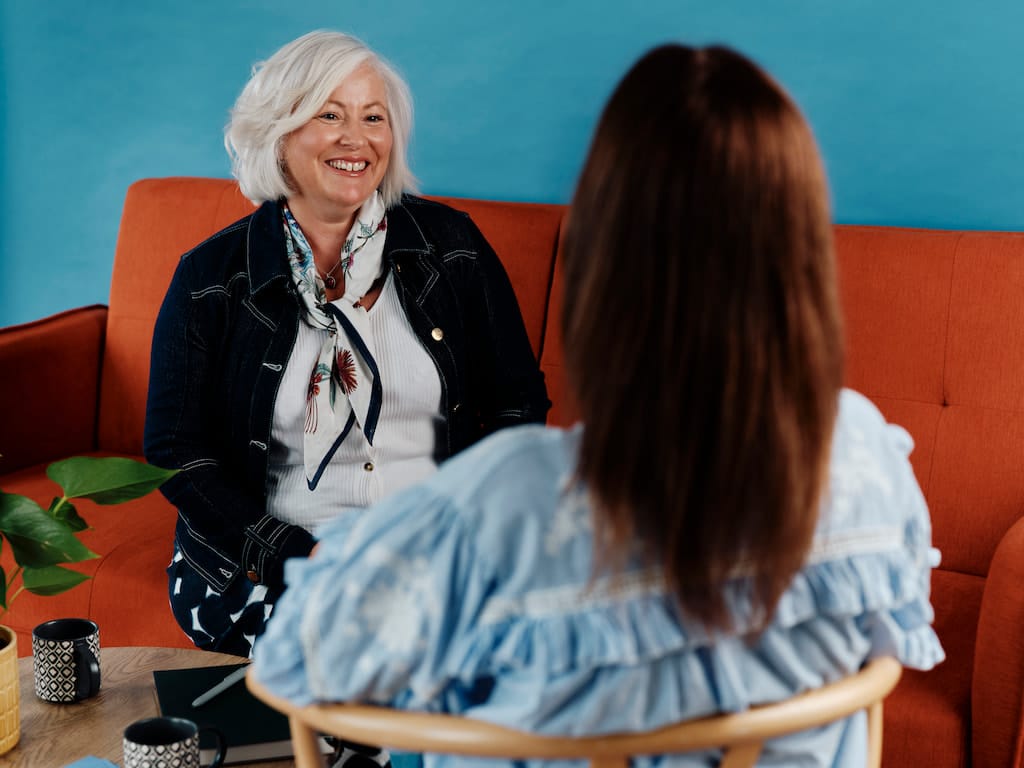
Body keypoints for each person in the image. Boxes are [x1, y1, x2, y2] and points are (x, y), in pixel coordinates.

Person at [250, 43, 944, 767]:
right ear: (804, 260)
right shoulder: (867, 454)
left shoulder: (506, 502)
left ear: (600, 262)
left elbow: (301, 657)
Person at [144, 30, 549, 659]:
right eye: (328, 115)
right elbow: (176, 451)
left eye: (373, 117)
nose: (355, 138)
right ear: (280, 134)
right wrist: (301, 557)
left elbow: (518, 406)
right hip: (274, 563)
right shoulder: (211, 279)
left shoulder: (453, 249)